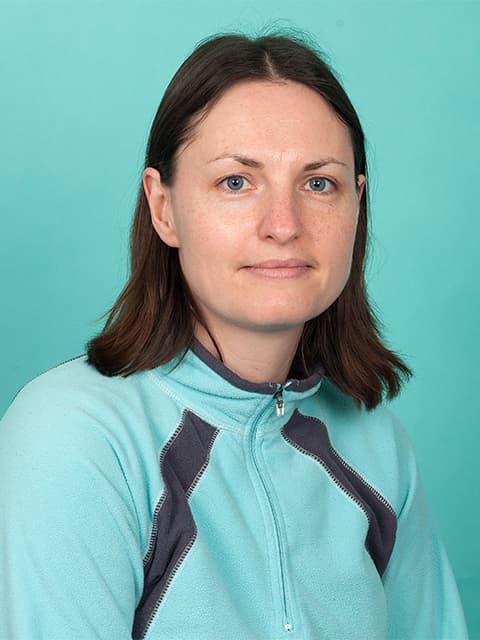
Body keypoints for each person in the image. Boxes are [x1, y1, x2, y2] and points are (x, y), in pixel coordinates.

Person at [0, 32, 468, 640]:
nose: (283, 225)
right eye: (236, 182)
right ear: (163, 208)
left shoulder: (378, 445)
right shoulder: (73, 436)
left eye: (318, 182)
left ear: (357, 203)